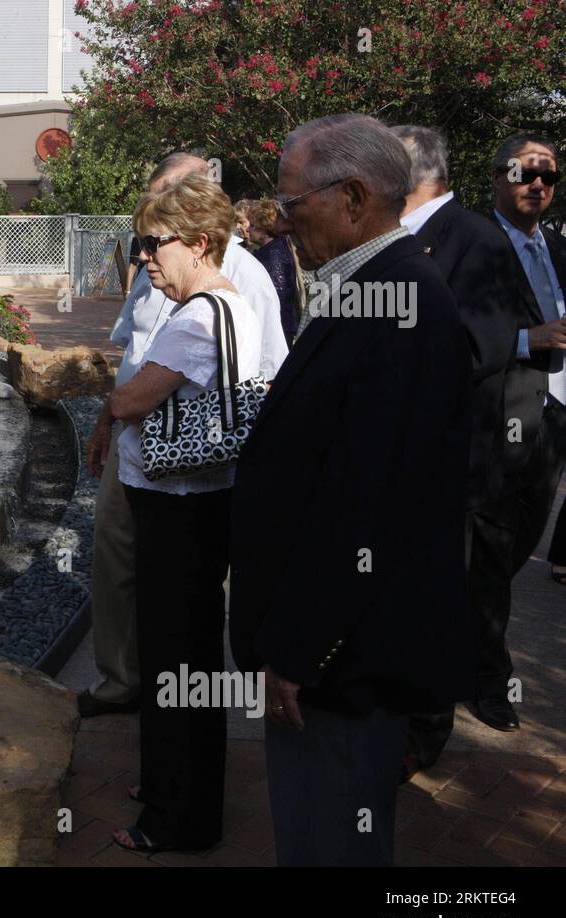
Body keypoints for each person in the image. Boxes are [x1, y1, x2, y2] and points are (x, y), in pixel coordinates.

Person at [229, 114, 472, 866]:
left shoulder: (403, 305)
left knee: (333, 837)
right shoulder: (365, 288)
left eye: (293, 204)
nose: (283, 222)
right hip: (326, 648)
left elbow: (369, 502)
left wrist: (302, 648)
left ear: (355, 197)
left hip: (343, 660)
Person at [104, 172, 286, 852]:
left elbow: (129, 402)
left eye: (153, 244)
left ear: (200, 242)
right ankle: (170, 790)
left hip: (176, 510)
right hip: (207, 501)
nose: (144, 257)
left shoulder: (194, 319)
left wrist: (113, 401)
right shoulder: (235, 302)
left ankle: (175, 820)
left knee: (176, 663)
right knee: (193, 662)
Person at [390, 126, 547, 769]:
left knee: (448, 589)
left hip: (461, 452)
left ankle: (422, 736)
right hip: (419, 451)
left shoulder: (471, 238)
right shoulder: (410, 236)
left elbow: (482, 343)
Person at [485, 133, 566, 724]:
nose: (537, 184)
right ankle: (488, 677)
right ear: (499, 177)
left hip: (553, 419)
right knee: (491, 552)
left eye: (549, 177)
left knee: (518, 547)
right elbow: (447, 334)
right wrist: (522, 340)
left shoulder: (555, 247)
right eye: (525, 172)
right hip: (500, 418)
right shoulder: (477, 245)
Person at [250, 198, 306, 344]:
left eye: (253, 226)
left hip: (278, 330)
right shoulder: (271, 251)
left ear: (265, 229)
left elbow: (275, 297)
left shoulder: (274, 255)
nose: (248, 229)